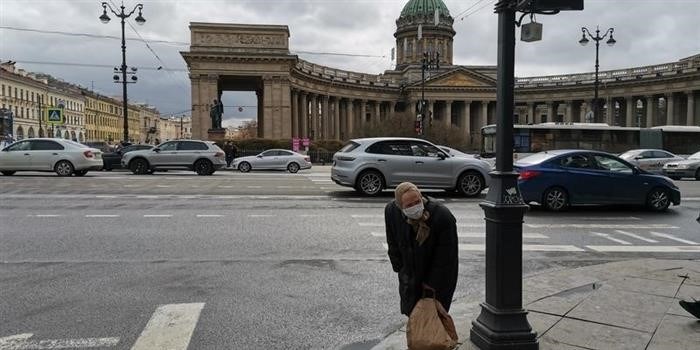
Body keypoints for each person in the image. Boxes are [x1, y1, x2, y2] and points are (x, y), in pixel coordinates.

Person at [385, 182, 458, 316]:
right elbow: (392, 241)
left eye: (417, 202)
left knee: (433, 318)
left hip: (437, 280)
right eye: (409, 206)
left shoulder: (441, 215)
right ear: (400, 206)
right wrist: (400, 268)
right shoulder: (391, 211)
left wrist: (432, 284)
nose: (415, 207)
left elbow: (446, 257)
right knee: (414, 315)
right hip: (410, 275)